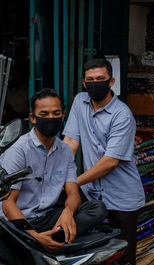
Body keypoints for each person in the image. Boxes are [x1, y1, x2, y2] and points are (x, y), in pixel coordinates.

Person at [1, 88, 107, 251]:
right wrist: (34, 237)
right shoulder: (19, 151)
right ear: (33, 118)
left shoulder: (64, 151)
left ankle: (50, 238)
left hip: (47, 218)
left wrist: (68, 212)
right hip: (17, 221)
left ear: (63, 116)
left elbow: (73, 192)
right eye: (44, 114)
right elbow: (8, 204)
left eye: (56, 113)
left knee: (97, 208)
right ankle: (40, 240)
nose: (51, 118)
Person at [63, 59, 145, 265]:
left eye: (100, 79)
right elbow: (71, 142)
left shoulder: (122, 114)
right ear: (83, 83)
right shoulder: (80, 102)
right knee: (94, 253)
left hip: (122, 197)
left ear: (111, 82)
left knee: (123, 258)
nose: (95, 83)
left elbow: (109, 162)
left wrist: (73, 182)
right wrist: (58, 173)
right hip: (92, 193)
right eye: (90, 80)